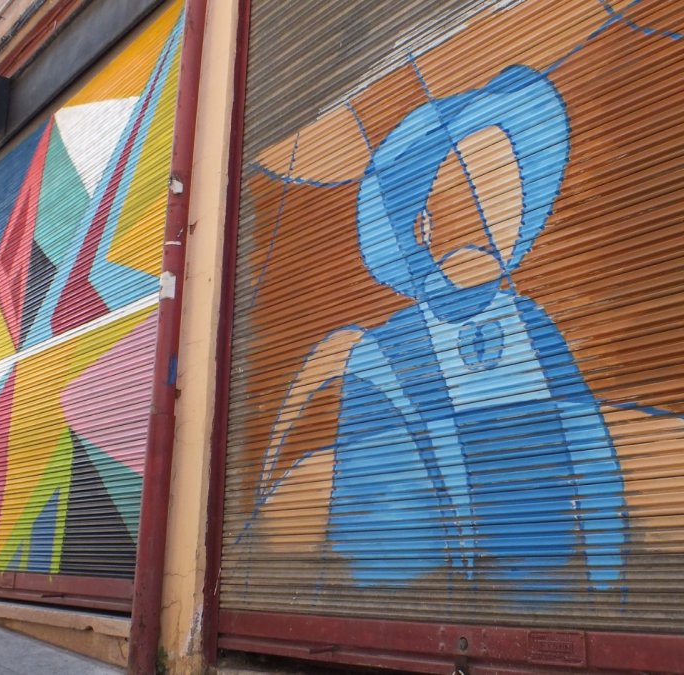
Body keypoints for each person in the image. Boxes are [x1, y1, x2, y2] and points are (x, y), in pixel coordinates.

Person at [258, 65, 626, 593]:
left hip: (552, 587)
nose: (489, 218)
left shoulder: (534, 328)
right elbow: (372, 523)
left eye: (504, 191)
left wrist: (609, 583)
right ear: (421, 224)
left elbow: (591, 453)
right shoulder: (382, 355)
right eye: (464, 195)